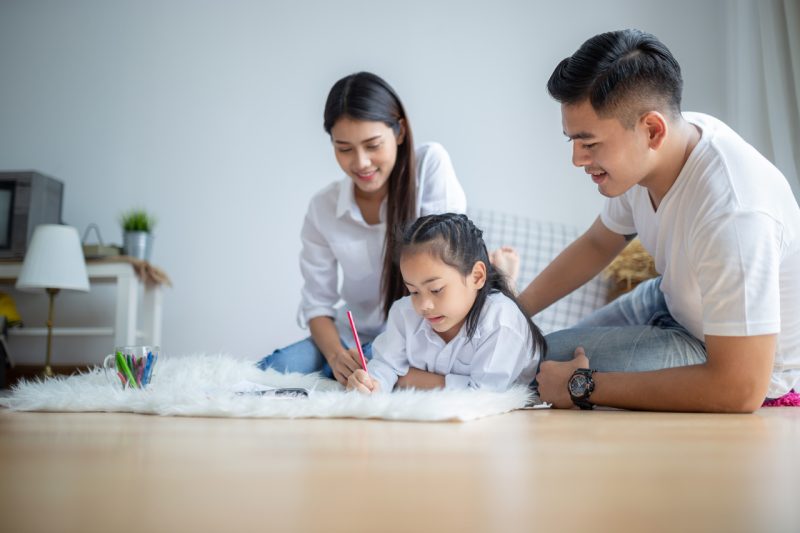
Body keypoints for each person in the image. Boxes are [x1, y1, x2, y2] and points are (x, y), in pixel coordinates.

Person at [518, 29, 800, 413]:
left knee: (534, 365)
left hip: (728, 358)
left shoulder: (734, 212)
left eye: (590, 144)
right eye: (574, 142)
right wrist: (515, 310)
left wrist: (581, 385)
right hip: (671, 300)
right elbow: (599, 242)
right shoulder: (657, 148)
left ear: (653, 130)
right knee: (527, 347)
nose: (578, 160)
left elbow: (741, 388)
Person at [258, 72, 467, 385]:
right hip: (351, 340)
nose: (361, 163)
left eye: (372, 145)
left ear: (399, 131)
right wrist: (335, 356)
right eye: (344, 149)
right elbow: (317, 304)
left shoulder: (429, 165)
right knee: (273, 368)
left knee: (374, 372)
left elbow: (444, 266)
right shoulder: (323, 207)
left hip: (420, 332)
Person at [347, 213, 546, 394]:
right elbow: (385, 366)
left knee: (363, 353)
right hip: (381, 345)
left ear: (476, 276)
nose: (423, 305)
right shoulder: (404, 312)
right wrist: (372, 384)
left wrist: (409, 378)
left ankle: (507, 278)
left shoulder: (501, 322)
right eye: (413, 291)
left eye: (436, 290)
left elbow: (482, 396)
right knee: (358, 360)